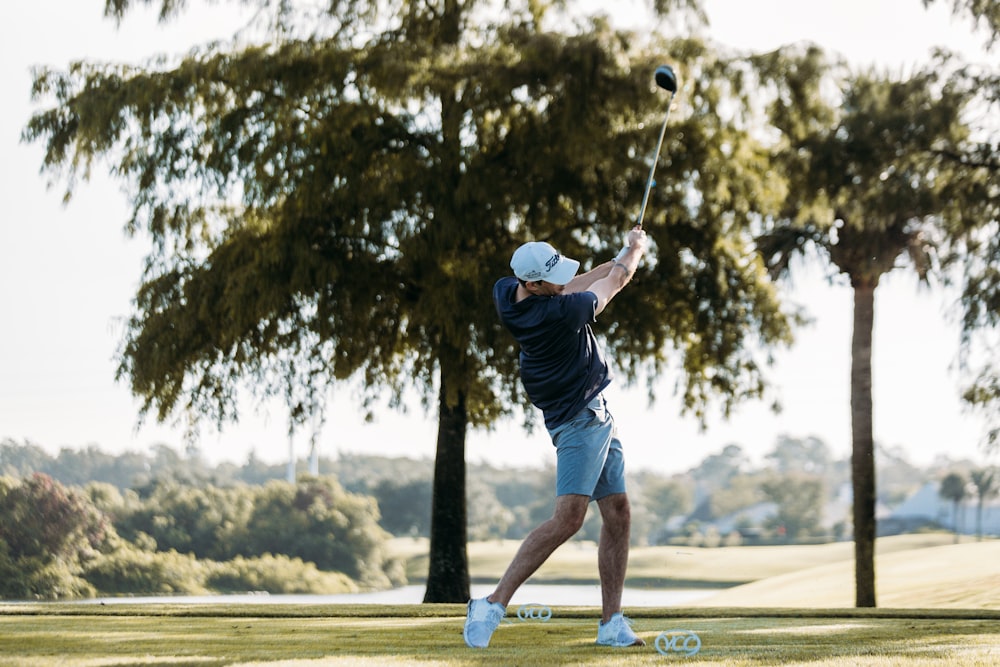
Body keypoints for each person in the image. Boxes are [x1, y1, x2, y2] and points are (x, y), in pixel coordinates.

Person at [464, 225, 649, 649]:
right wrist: (635, 251)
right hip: (580, 419)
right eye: (553, 277)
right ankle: (491, 604)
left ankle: (611, 624)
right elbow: (615, 281)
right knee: (568, 519)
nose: (562, 280)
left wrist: (622, 253)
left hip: (595, 414)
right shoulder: (560, 314)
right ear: (534, 284)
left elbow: (581, 281)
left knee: (618, 512)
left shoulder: (508, 291)